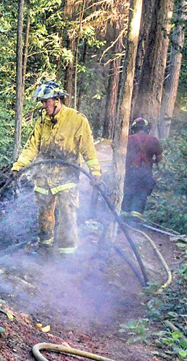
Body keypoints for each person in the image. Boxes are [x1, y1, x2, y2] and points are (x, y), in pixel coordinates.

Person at [10, 80, 101, 254]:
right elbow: (31, 147)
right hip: (43, 178)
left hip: (66, 177)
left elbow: (88, 149)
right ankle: (45, 248)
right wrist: (18, 167)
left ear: (57, 99)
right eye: (42, 102)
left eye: (46, 101)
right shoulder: (42, 122)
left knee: (67, 214)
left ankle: (66, 255)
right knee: (44, 215)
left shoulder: (77, 120)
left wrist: (95, 172)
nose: (43, 105)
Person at [122, 117, 163, 221]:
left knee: (128, 193)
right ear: (146, 128)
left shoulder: (128, 139)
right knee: (141, 195)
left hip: (130, 172)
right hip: (146, 173)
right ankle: (135, 221)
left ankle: (123, 219)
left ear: (134, 127)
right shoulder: (154, 140)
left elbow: (122, 156)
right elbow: (159, 158)